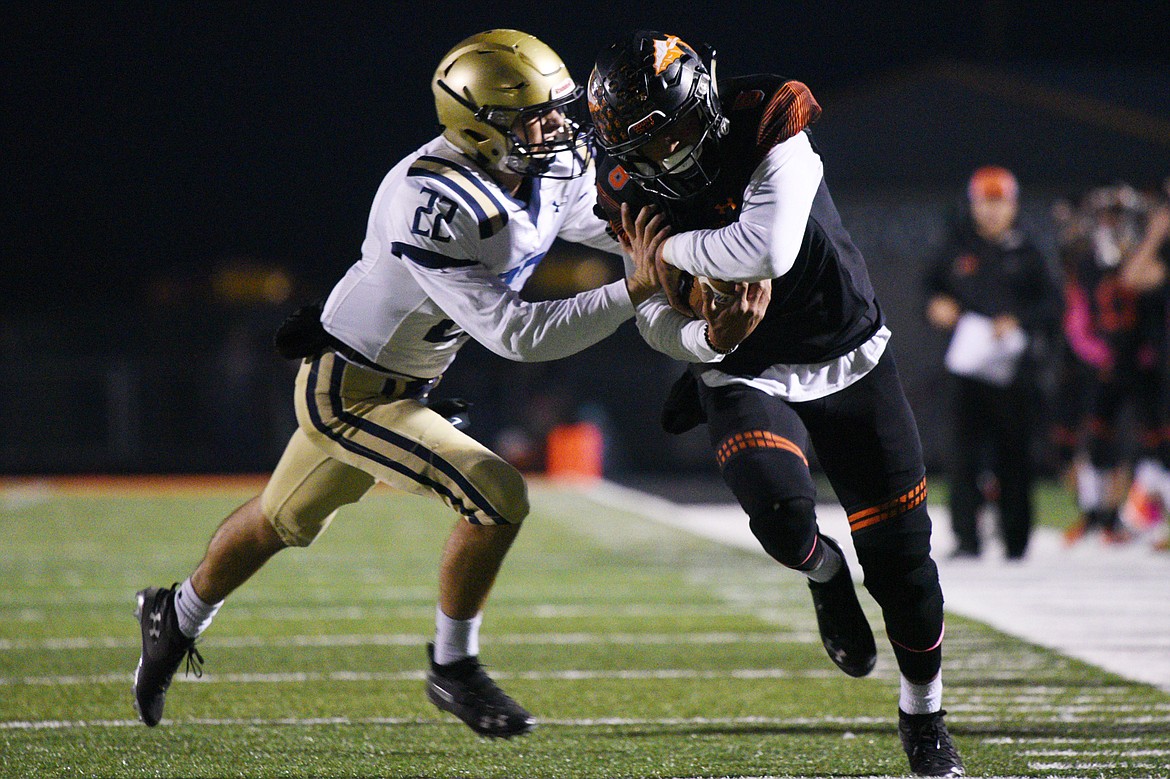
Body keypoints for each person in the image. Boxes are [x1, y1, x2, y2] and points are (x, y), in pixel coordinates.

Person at [131, 29, 704, 738]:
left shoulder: (542, 165)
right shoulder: (432, 198)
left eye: (558, 109)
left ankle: (174, 612)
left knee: (280, 521)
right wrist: (634, 289)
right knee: (498, 494)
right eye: (538, 115)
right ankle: (452, 665)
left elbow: (590, 219)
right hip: (351, 389)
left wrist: (683, 244)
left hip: (406, 379)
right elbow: (516, 335)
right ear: (479, 127)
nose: (559, 126)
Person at [588, 31, 964, 778]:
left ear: (707, 99)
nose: (674, 152)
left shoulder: (770, 119)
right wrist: (702, 336)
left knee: (904, 571)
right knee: (784, 520)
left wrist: (666, 254)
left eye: (682, 126)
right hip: (744, 369)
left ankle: (924, 715)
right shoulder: (624, 191)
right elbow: (652, 317)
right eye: (655, 142)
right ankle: (825, 576)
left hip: (848, 354)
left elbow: (767, 251)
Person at [923, 166, 1059, 560]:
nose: (993, 211)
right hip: (966, 372)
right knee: (963, 455)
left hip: (1014, 372)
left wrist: (1018, 321)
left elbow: (1052, 305)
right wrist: (938, 305)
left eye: (1000, 203)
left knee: (1015, 455)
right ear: (974, 204)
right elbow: (929, 291)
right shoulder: (956, 246)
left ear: (1013, 206)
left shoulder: (1029, 252)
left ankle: (1016, 540)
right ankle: (967, 539)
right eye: (986, 202)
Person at [1056, 184, 1169, 544]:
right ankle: (1097, 515)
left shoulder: (1150, 254)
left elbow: (1141, 285)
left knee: (1156, 439)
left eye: (1118, 217)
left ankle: (1148, 514)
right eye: (1106, 217)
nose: (1111, 225)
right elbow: (1077, 315)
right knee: (1092, 437)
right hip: (1104, 362)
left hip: (1144, 360)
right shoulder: (1088, 260)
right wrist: (1096, 354)